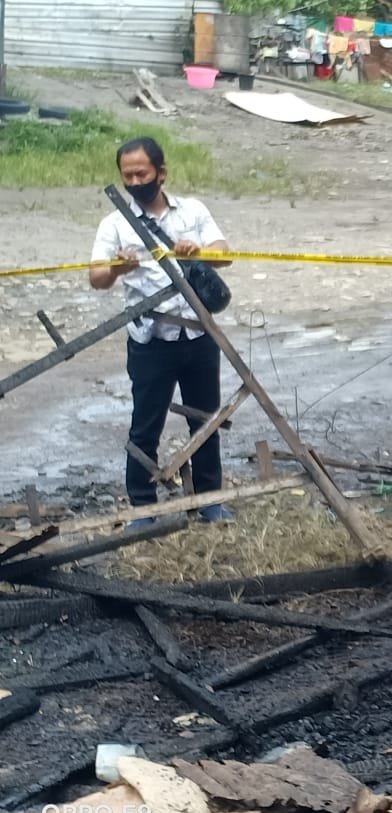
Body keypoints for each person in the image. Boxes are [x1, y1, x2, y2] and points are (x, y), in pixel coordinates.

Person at [89, 137, 233, 525]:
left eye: (143, 173)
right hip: (150, 341)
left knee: (205, 420)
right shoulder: (115, 222)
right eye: (128, 175)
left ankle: (210, 501)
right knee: (145, 426)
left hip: (199, 336)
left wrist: (198, 251)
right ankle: (143, 508)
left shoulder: (193, 211)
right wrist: (118, 268)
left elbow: (225, 252)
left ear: (161, 173)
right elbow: (96, 277)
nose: (135, 182)